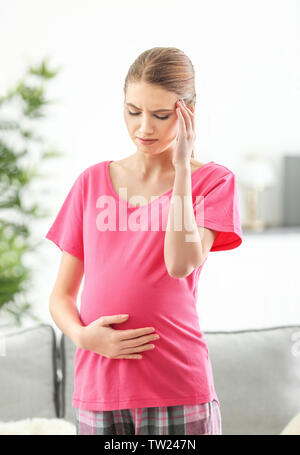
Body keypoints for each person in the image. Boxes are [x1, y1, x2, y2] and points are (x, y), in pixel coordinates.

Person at [45, 47, 243, 435]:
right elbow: (61, 296)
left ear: (187, 113)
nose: (144, 128)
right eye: (133, 111)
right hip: (99, 391)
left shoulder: (213, 182)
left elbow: (180, 263)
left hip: (177, 386)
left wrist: (183, 168)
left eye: (161, 115)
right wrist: (85, 337)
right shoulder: (90, 182)